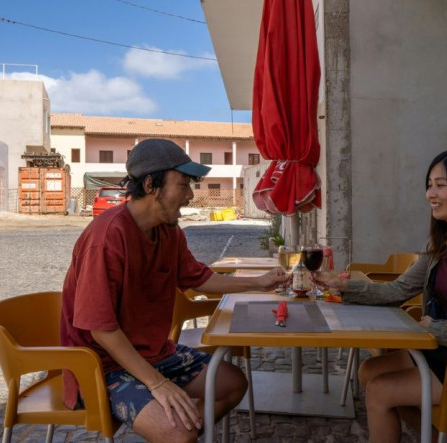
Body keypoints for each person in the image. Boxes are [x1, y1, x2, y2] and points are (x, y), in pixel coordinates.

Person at [60, 138, 285, 443]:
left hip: (156, 353)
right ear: (151, 184)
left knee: (232, 385)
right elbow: (101, 329)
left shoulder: (169, 231)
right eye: (183, 184)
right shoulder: (107, 237)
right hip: (103, 366)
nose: (191, 195)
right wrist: (158, 384)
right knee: (180, 433)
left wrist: (259, 284)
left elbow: (199, 279)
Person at [314, 148, 447, 441]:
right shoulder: (441, 243)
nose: (430, 194)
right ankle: (438, 435)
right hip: (444, 351)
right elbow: (397, 290)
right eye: (429, 184)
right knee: (368, 371)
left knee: (379, 391)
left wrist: (434, 328)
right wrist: (343, 286)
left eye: (440, 184)